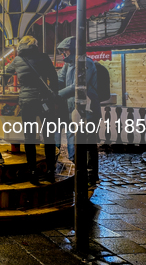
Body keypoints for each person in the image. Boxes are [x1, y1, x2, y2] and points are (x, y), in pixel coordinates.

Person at [5, 36, 58, 185]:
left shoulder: (17, 60)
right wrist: (53, 94)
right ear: (35, 45)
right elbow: (53, 78)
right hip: (44, 100)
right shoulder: (44, 57)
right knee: (49, 136)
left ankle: (33, 173)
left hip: (27, 101)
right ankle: (50, 172)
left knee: (29, 136)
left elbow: (5, 73)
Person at [56, 36, 102, 184]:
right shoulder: (68, 65)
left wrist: (58, 95)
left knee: (88, 142)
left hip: (87, 108)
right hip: (72, 108)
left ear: (73, 49)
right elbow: (61, 80)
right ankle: (80, 169)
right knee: (73, 139)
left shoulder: (85, 63)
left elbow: (78, 85)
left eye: (66, 50)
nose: (64, 53)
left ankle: (91, 174)